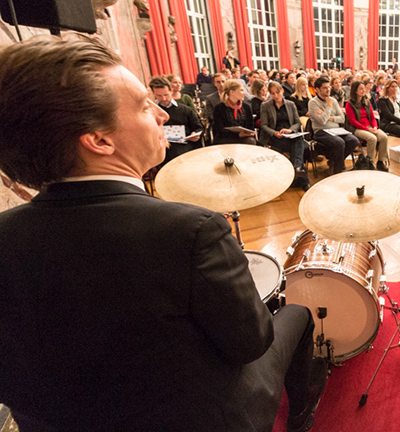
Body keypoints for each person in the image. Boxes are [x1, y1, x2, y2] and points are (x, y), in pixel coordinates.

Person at [0, 36, 325, 432]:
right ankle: (301, 416)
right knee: (297, 316)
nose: (162, 115)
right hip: (201, 419)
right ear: (99, 140)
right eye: (142, 105)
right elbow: (250, 344)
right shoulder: (191, 231)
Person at [259, 81, 310, 191]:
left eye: (278, 92)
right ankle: (300, 174)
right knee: (298, 146)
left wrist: (290, 130)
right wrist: (274, 133)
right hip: (276, 136)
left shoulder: (290, 104)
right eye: (273, 93)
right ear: (270, 94)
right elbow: (264, 125)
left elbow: (297, 122)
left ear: (282, 91)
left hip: (290, 134)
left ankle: (295, 172)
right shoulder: (266, 106)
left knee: (298, 140)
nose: (276, 96)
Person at [308, 76, 359, 174]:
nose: (328, 90)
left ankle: (334, 162)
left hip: (336, 130)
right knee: (339, 142)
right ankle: (339, 169)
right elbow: (322, 121)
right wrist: (328, 106)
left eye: (328, 87)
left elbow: (342, 119)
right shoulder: (313, 103)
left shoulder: (333, 100)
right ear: (317, 90)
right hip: (321, 131)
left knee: (353, 140)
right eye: (325, 88)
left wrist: (330, 117)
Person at [150, 76, 203, 165]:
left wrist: (195, 134)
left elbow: (198, 127)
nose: (163, 99)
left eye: (166, 94)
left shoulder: (185, 110)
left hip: (183, 146)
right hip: (160, 147)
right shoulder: (151, 111)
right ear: (153, 94)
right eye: (159, 95)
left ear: (171, 91)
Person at [346, 81, 389, 171]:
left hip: (369, 127)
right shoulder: (349, 104)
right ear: (355, 91)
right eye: (361, 89)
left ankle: (381, 161)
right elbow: (353, 122)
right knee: (372, 138)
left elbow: (373, 118)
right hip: (357, 128)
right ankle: (370, 162)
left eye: (364, 88)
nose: (363, 90)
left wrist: (374, 127)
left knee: (384, 137)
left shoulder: (366, 102)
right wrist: (368, 129)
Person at [213, 80, 256, 145]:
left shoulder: (246, 107)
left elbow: (250, 127)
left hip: (243, 137)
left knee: (250, 141)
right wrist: (238, 134)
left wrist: (248, 133)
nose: (244, 93)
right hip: (225, 138)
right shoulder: (219, 108)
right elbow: (219, 129)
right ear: (232, 92)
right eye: (241, 90)